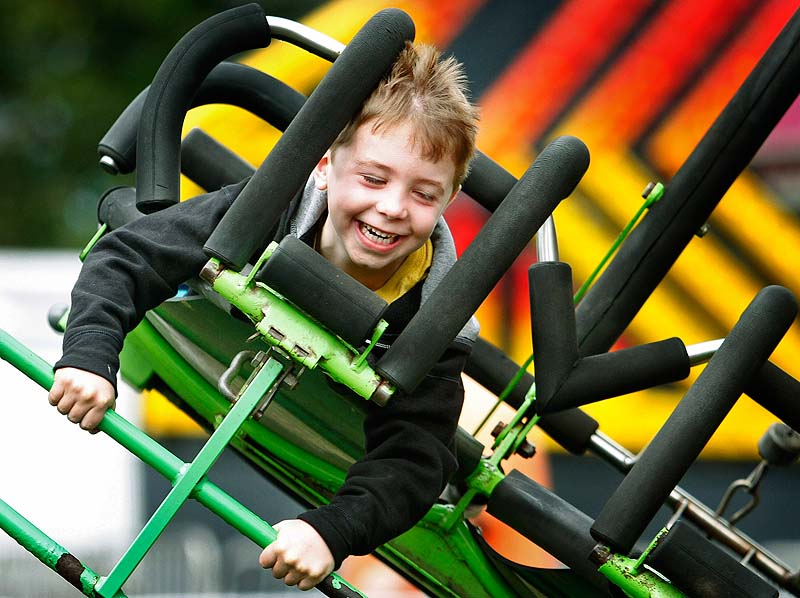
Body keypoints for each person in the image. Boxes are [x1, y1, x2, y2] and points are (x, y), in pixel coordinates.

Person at [49, 41, 479, 591]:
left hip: (336, 440)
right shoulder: (262, 212)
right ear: (324, 164)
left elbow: (416, 459)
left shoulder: (437, 324)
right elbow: (129, 254)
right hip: (209, 359)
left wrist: (332, 531)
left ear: (449, 199)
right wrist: (88, 353)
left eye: (423, 193)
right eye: (373, 179)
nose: (393, 207)